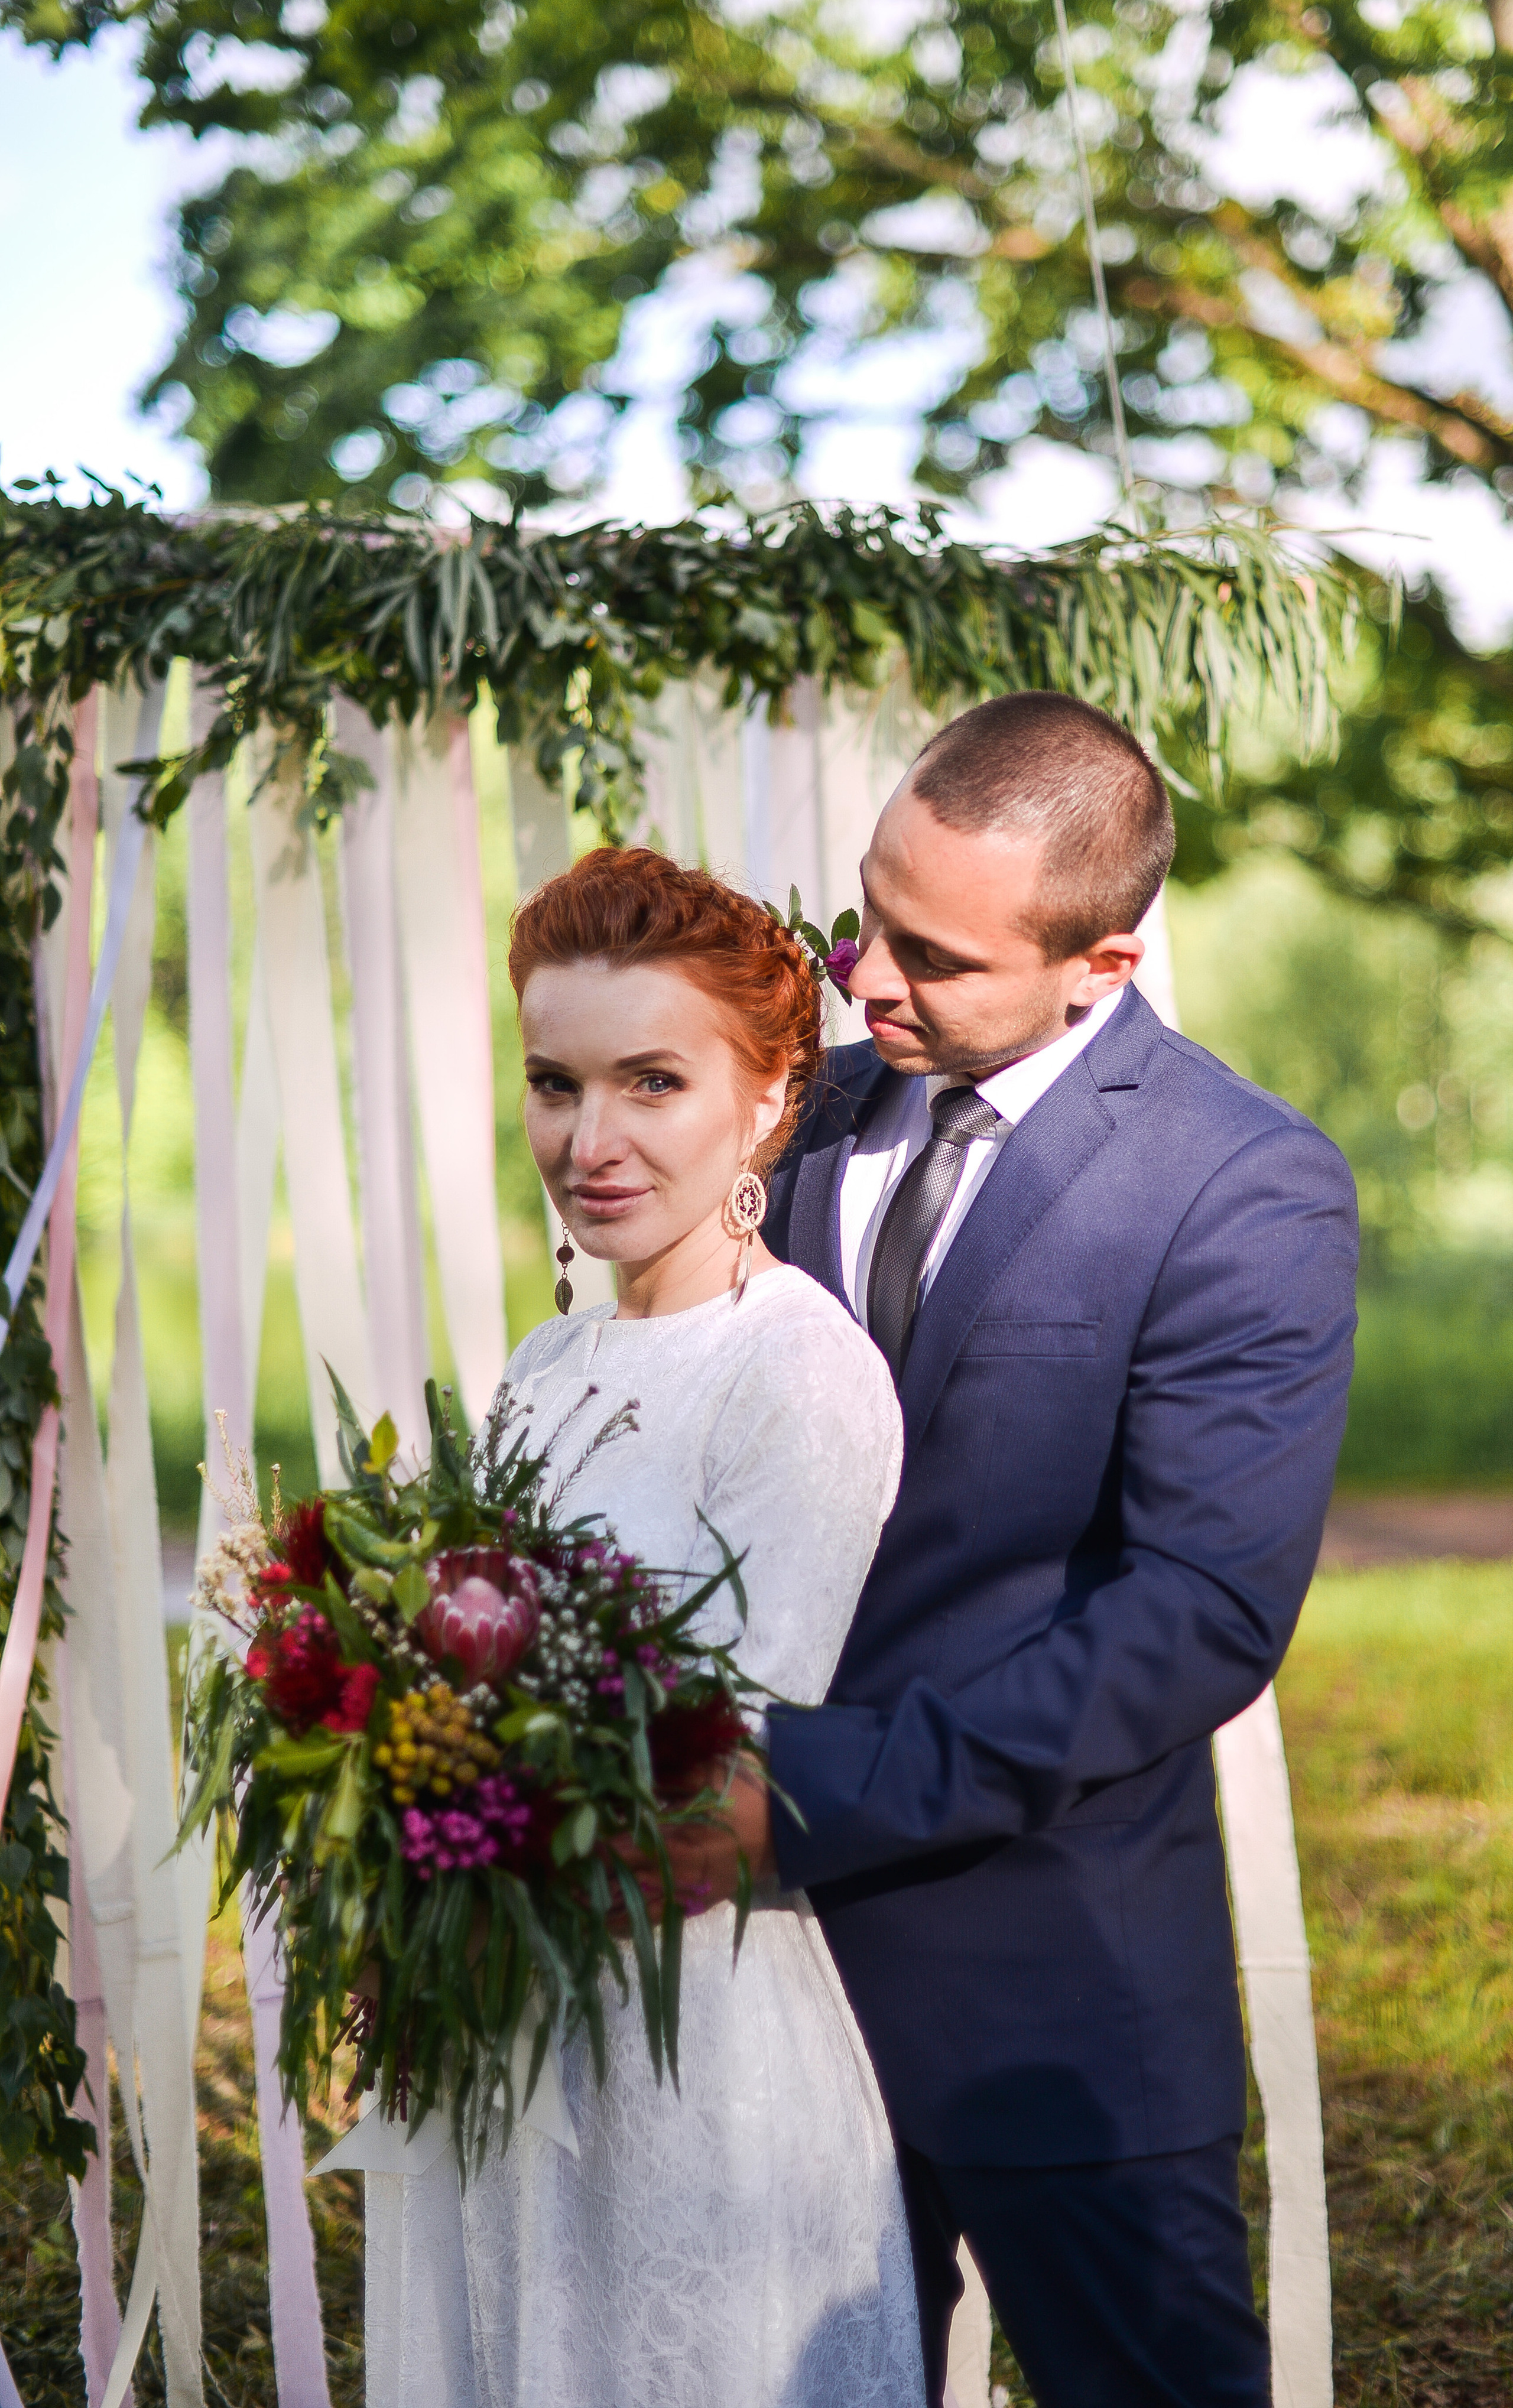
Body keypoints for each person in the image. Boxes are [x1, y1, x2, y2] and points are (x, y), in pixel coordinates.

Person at [662, 691, 1359, 2408]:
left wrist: (797, 1791)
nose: (867, 982)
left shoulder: (1239, 1184)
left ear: (1101, 966)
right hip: (754, 1994)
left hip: (1055, 1993)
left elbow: (1194, 1617)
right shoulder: (790, 1119)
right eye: (862, 916)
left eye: (933, 956)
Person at [370, 849, 926, 2407]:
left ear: (766, 1096)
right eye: (555, 1081)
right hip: (506, 2050)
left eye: (652, 1081)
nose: (589, 1139)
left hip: (689, 2057)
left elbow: (714, 1768)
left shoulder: (797, 1371)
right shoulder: (545, 1362)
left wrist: (442, 1875)